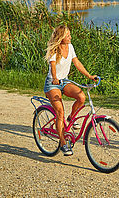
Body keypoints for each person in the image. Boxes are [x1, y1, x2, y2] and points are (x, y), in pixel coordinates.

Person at [44, 25, 96, 156]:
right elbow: (53, 66)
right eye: (68, 35)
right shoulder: (54, 50)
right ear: (61, 37)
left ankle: (71, 118)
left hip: (65, 81)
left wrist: (89, 76)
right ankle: (62, 143)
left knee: (81, 97)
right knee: (59, 111)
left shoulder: (70, 47)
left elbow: (77, 63)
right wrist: (55, 78)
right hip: (53, 84)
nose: (70, 37)